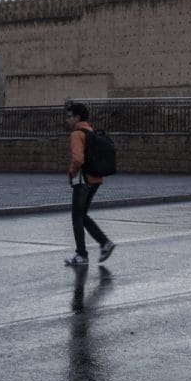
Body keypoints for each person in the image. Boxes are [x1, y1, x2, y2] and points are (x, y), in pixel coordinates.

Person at [64, 102, 115, 267]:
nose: (67, 120)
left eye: (69, 116)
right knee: (82, 215)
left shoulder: (77, 134)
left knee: (76, 217)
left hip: (83, 180)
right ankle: (105, 243)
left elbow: (78, 159)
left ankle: (82, 254)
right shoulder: (91, 131)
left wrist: (71, 173)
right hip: (96, 179)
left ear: (77, 117)